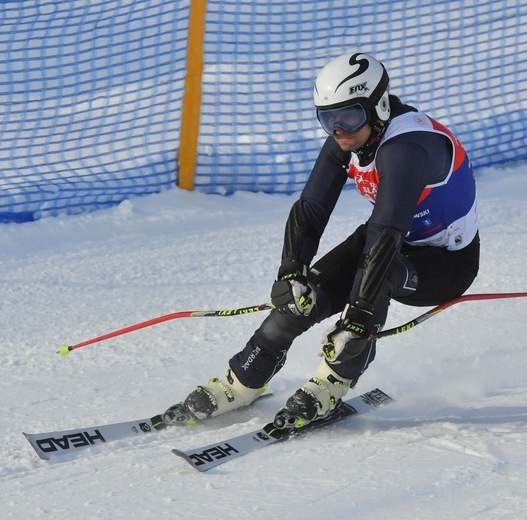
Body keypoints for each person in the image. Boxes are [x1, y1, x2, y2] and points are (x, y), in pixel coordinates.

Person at [164, 51, 480, 430]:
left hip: (446, 261)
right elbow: (311, 208)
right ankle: (244, 380)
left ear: (378, 106)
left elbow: (386, 233)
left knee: (376, 280)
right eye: (327, 119)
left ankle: (332, 382)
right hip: (387, 238)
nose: (339, 131)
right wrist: (292, 269)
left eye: (348, 117)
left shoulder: (406, 147)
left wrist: (359, 315)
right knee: (303, 296)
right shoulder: (351, 137)